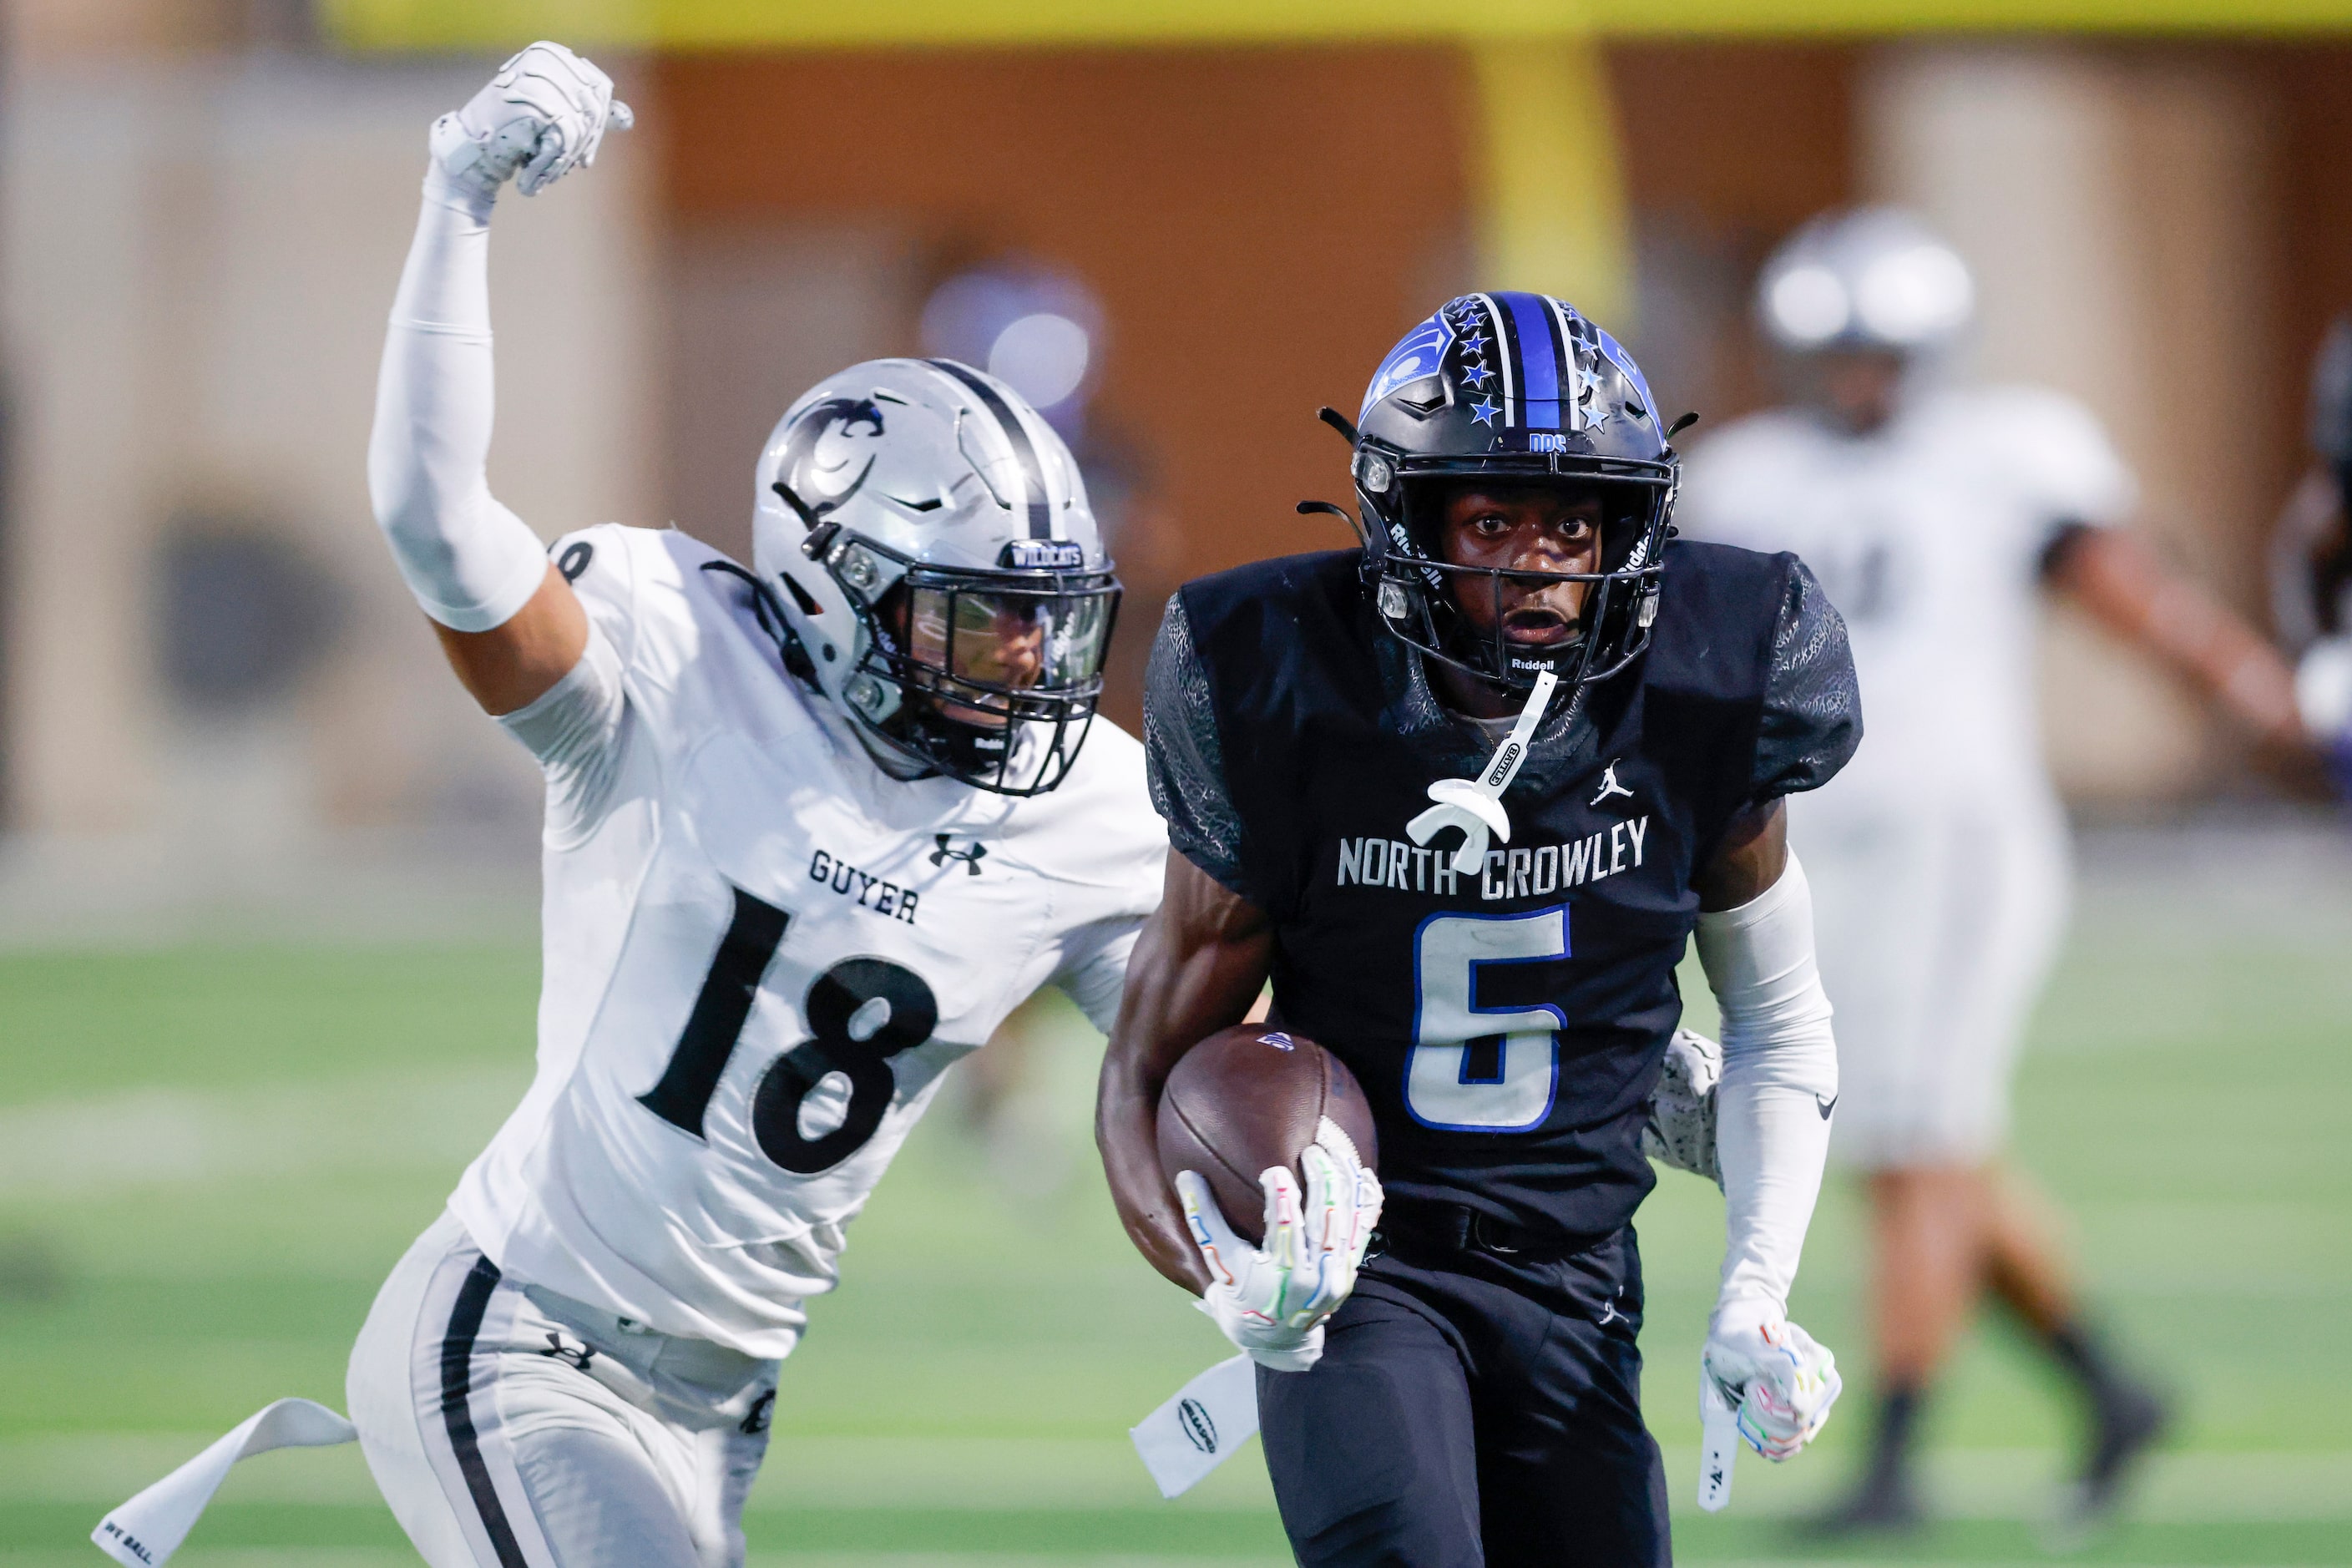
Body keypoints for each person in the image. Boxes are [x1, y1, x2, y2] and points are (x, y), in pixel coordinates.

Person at [348, 44, 1164, 1568]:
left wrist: (1270, 1227)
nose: (1026, 670)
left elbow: (1214, 1054)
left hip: (722, 1404)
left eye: (1042, 622)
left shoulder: (1089, 806)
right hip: (525, 1341)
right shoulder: (669, 659)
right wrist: (457, 202)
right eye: (977, 623)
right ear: (835, 588)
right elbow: (432, 521)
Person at [1098, 290, 1863, 1566]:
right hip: (1364, 1262)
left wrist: (1753, 1295)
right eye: (1492, 518)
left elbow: (1779, 1023)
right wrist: (1240, 1286)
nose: (1541, 560)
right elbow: (1145, 1065)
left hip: (1578, 1269)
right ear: (1404, 519)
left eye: (1574, 520)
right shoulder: (1279, 674)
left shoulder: (1711, 672)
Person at [1675, 207, 2313, 1534]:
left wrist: (2263, 701)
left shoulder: (2000, 452)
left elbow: (2128, 591)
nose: (1857, 379)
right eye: (1834, 353)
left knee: (1915, 1141)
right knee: (1913, 1140)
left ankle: (1895, 1459)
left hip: (1954, 839)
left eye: (1879, 353)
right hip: (1812, 845)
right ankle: (2108, 1385)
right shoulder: (1746, 474)